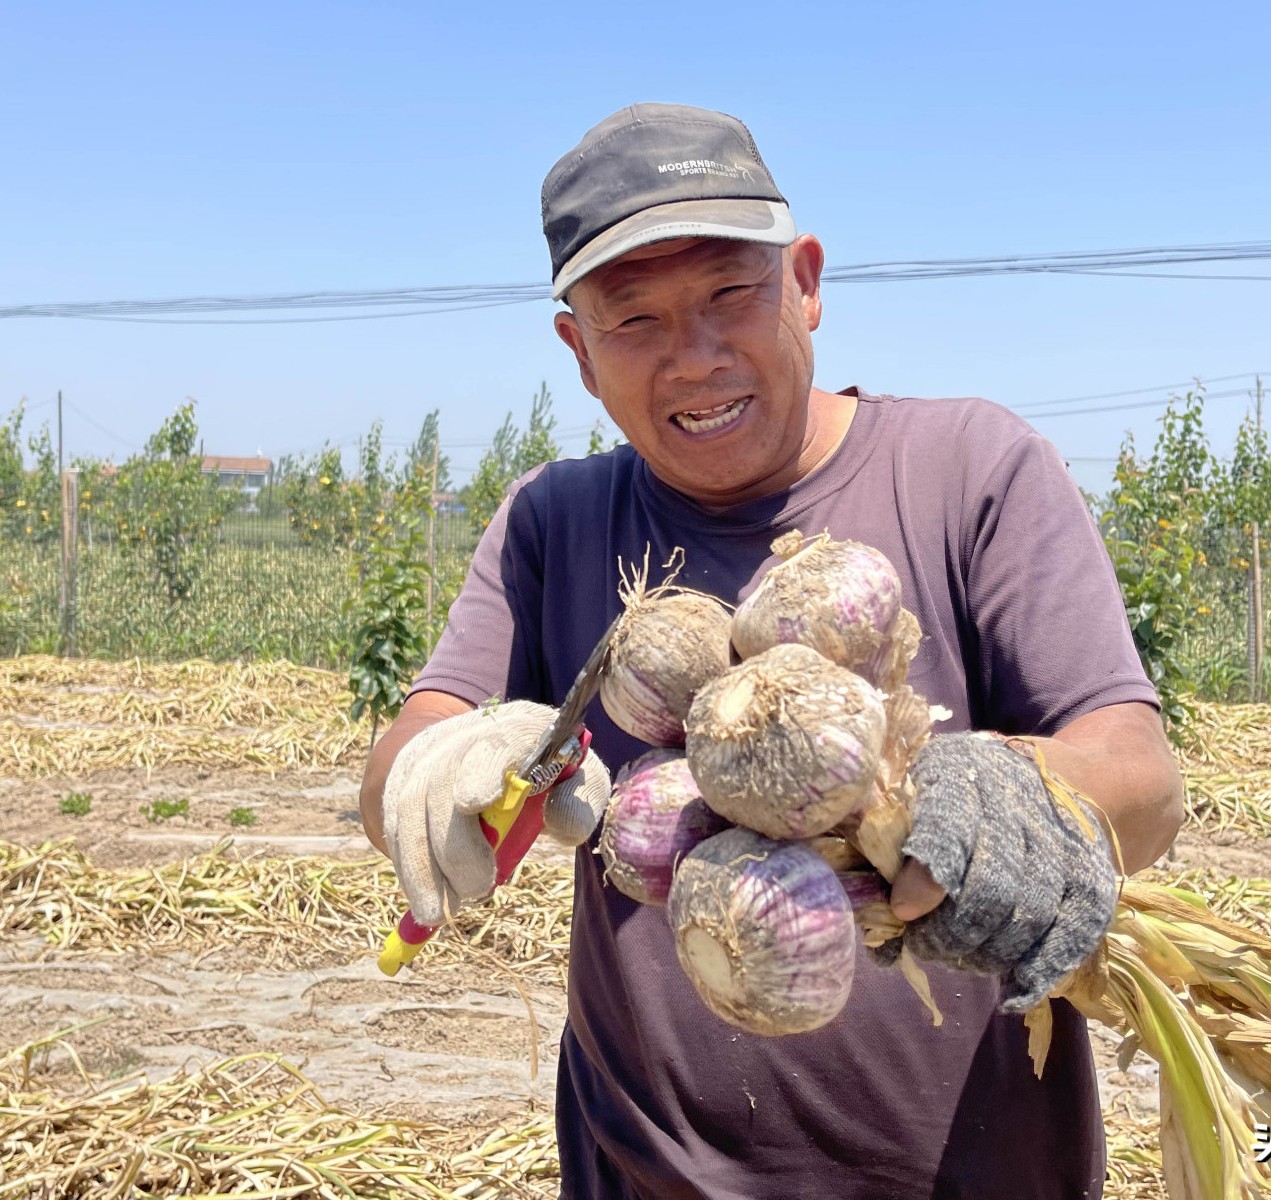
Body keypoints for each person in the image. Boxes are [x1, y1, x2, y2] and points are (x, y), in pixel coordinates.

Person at [360, 102, 1185, 1199]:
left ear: (804, 282)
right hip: (640, 1176)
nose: (693, 359)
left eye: (727, 295)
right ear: (578, 350)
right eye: (635, 319)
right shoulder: (551, 521)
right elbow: (414, 743)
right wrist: (436, 769)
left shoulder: (971, 468)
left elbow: (1140, 776)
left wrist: (1005, 795)